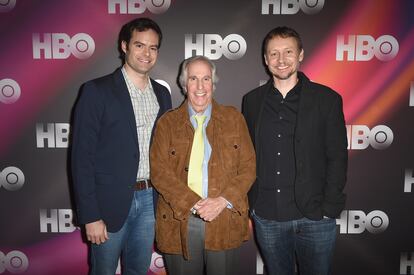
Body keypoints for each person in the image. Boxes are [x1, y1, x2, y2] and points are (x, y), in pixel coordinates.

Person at [242, 26, 348, 275]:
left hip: (313, 217)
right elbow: (246, 154)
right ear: (266, 59)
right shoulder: (252, 101)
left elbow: (337, 156)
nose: (281, 60)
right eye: (274, 53)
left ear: (300, 54)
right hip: (267, 215)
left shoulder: (327, 99)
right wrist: (252, 204)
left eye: (288, 51)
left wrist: (328, 209)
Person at [71, 18, 172, 275]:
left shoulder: (162, 94)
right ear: (124, 46)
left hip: (151, 198)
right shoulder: (96, 90)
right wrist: (90, 216)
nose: (146, 53)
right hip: (108, 203)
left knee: (138, 270)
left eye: (153, 47)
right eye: (139, 45)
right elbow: (82, 158)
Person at [150, 55, 256, 275]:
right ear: (183, 83)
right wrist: (194, 203)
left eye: (206, 79)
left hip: (224, 219)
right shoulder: (167, 123)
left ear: (213, 84)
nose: (200, 86)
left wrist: (222, 200)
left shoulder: (234, 119)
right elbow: (159, 172)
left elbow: (248, 167)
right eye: (193, 79)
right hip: (180, 220)